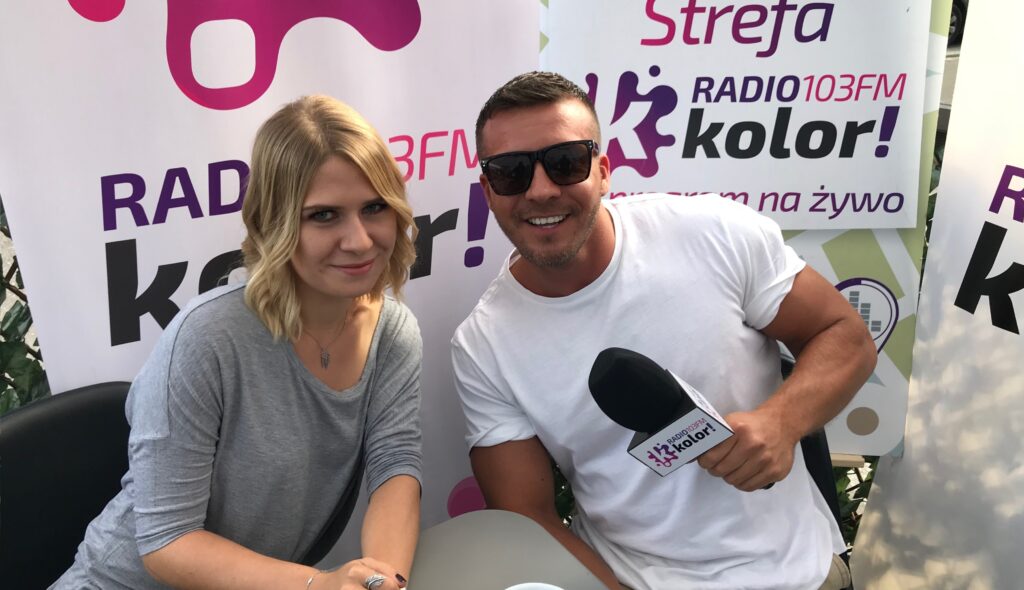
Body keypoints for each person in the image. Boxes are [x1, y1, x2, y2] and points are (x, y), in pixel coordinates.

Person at [451, 72, 877, 590]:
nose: (540, 190)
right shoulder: (484, 345)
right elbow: (527, 516)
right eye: (511, 172)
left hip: (798, 575)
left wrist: (782, 422)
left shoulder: (713, 234)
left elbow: (844, 334)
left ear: (602, 171)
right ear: (488, 190)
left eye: (565, 163)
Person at [53, 95, 422, 590]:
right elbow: (167, 539)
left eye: (374, 207)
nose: (358, 240)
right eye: (323, 216)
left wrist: (384, 581)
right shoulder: (206, 338)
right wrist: (319, 585)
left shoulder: (393, 333)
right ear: (274, 223)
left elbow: (394, 464)